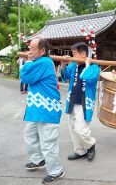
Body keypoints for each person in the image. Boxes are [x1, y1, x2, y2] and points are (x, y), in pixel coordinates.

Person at [20, 38, 64, 184]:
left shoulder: (43, 62)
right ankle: (38, 160)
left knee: (48, 142)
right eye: (29, 48)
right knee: (30, 134)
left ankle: (57, 171)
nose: (30, 51)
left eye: (33, 48)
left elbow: (25, 77)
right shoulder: (41, 62)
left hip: (47, 109)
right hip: (40, 109)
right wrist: (30, 59)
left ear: (42, 51)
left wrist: (28, 60)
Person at [60, 42, 100, 162]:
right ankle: (79, 151)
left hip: (84, 103)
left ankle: (91, 145)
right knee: (72, 128)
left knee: (81, 129)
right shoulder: (73, 66)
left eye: (74, 53)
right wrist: (63, 64)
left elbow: (88, 77)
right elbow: (65, 76)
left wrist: (87, 65)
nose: (73, 56)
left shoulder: (94, 67)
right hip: (72, 100)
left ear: (83, 54)